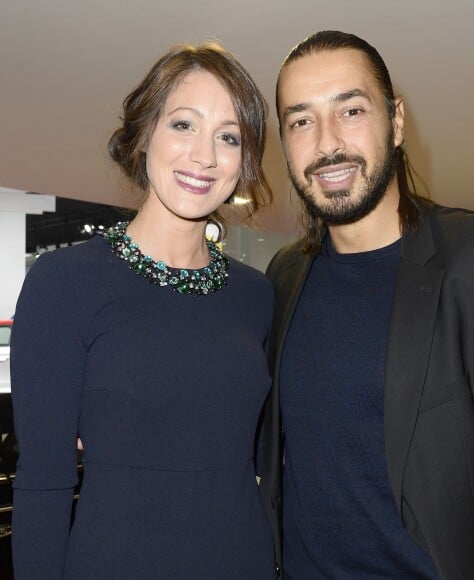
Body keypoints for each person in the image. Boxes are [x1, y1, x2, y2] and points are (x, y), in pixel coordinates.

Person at [259, 30, 474, 579]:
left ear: (397, 121)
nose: (326, 142)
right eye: (301, 121)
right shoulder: (284, 277)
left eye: (351, 109)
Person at [11, 42, 278, 579]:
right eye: (184, 125)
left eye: (229, 137)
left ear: (244, 161)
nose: (205, 155)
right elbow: (43, 483)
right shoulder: (64, 283)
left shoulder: (257, 295)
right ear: (143, 136)